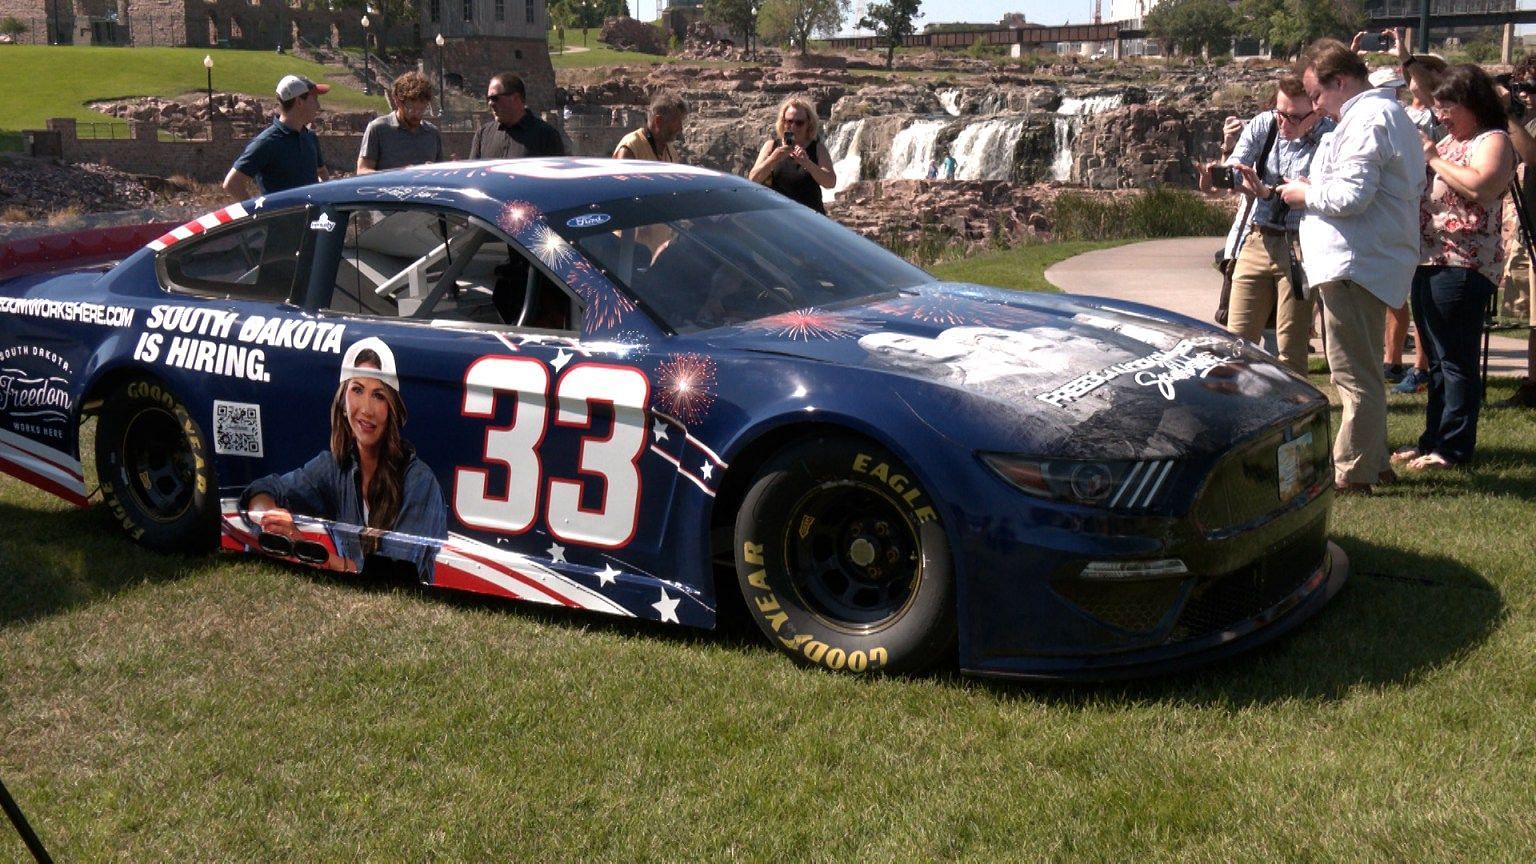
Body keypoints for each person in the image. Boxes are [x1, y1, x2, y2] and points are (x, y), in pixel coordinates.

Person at [1276, 39, 1426, 493]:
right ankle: (1376, 463)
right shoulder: (1381, 115)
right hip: (1361, 262)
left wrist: (1305, 194)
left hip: (1354, 265)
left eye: (1317, 96)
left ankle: (1351, 472)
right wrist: (1315, 183)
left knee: (1353, 377)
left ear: (1339, 82)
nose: (1316, 107)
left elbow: (1350, 198)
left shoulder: (1368, 118)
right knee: (1362, 372)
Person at [1386, 64, 1516, 472]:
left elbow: (1481, 186)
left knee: (1457, 361)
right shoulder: (1451, 142)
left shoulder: (1493, 140)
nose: (1440, 115)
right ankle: (1433, 441)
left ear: (1472, 105)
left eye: (1448, 107)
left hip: (1463, 265)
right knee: (1439, 363)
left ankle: (1454, 450)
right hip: (1429, 261)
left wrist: (1433, 159)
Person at [243, 337, 448, 579]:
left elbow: (393, 576)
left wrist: (322, 558)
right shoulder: (334, 467)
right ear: (343, 403)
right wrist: (272, 521)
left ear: (392, 409)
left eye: (379, 395)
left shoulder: (419, 481)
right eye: (357, 390)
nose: (366, 409)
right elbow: (264, 488)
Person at [1199, 76, 1332, 375]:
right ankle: (1238, 410)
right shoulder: (1264, 124)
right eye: (1280, 112)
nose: (1284, 123)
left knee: (1290, 347)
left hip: (1300, 247)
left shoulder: (1330, 138)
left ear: (1317, 111)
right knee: (1236, 340)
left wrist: (1267, 191)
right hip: (1257, 239)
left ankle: (1294, 416)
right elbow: (1234, 172)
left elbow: (1322, 194)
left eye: (1294, 117)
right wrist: (1214, 180)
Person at [222, 74, 330, 199]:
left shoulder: (310, 137)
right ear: (299, 102)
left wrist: (324, 200)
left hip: (313, 217)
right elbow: (232, 184)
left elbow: (322, 172)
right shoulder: (267, 142)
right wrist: (259, 215)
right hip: (282, 218)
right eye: (314, 99)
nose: (318, 106)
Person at [748, 97, 836, 214]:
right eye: (789, 121)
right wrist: (774, 158)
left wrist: (807, 163)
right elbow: (753, 179)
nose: (793, 127)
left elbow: (830, 182)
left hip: (809, 218)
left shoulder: (818, 148)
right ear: (782, 122)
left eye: (799, 123)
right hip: (778, 217)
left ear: (808, 123)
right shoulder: (771, 146)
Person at [356, 71, 443, 174]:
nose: (417, 114)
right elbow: (362, 171)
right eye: (412, 109)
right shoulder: (378, 129)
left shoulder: (432, 133)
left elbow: (441, 174)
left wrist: (435, 170)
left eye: (422, 109)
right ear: (398, 102)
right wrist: (399, 175)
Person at [468, 72, 566, 159]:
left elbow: (556, 176)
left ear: (515, 98)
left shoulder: (546, 136)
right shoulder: (483, 134)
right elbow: (474, 174)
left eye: (494, 98)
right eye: (488, 99)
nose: (490, 103)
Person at [612, 91, 688, 162]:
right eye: (676, 122)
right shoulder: (632, 148)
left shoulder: (671, 152)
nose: (680, 128)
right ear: (658, 121)